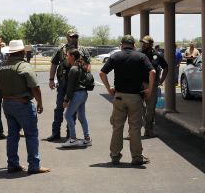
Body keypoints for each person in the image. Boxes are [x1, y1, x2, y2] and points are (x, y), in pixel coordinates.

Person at [99, 35, 155, 166]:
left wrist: (108, 89)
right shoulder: (141, 57)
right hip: (135, 97)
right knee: (135, 128)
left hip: (119, 96)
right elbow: (152, 72)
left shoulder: (115, 56)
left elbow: (102, 73)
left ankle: (115, 155)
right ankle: (136, 157)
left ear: (121, 44)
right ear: (134, 44)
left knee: (117, 127)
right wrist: (150, 90)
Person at [0, 40, 50, 174]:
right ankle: (34, 165)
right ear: (21, 52)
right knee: (31, 134)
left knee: (12, 135)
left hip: (7, 103)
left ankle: (12, 164)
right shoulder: (24, 66)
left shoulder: (2, 67)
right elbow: (35, 87)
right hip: (22, 104)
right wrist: (40, 103)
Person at [47, 29, 91, 141]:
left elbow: (88, 66)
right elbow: (54, 64)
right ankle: (55, 133)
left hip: (76, 86)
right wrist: (51, 79)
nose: (74, 38)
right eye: (71, 36)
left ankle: (70, 135)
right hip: (62, 84)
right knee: (59, 108)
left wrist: (85, 75)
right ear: (67, 37)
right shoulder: (61, 49)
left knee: (73, 111)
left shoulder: (83, 50)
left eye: (76, 36)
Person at [61, 49, 92, 148]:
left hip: (78, 94)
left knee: (68, 115)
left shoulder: (73, 69)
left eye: (67, 55)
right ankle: (87, 139)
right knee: (82, 116)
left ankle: (73, 138)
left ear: (72, 57)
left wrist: (66, 100)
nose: (66, 57)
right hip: (83, 94)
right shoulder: (80, 67)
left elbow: (70, 87)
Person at [140, 35, 168, 138]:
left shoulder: (157, 55)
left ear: (150, 44)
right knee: (139, 107)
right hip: (140, 84)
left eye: (145, 43)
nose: (142, 44)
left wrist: (161, 80)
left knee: (150, 109)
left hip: (152, 84)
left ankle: (149, 130)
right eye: (142, 42)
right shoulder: (139, 54)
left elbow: (166, 67)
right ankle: (137, 130)